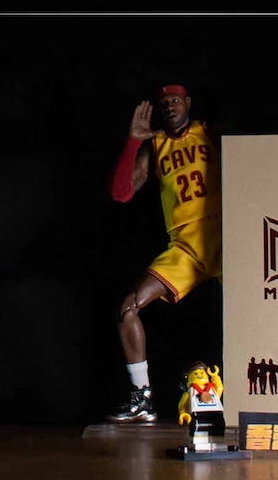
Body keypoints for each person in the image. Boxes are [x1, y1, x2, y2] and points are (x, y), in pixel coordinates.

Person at [106, 83, 222, 423]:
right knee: (127, 308)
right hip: (184, 245)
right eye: (164, 103)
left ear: (188, 103)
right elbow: (121, 193)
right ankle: (142, 398)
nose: (169, 106)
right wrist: (133, 141)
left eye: (175, 100)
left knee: (253, 307)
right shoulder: (156, 145)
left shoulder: (209, 132)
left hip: (221, 236)